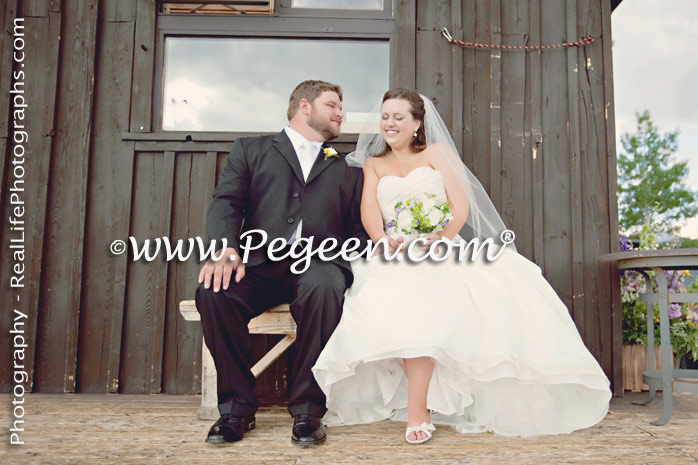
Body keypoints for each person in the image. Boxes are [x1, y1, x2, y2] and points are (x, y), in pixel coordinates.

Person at [312, 88, 611, 444]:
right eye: (385, 116)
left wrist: (443, 236)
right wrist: (381, 240)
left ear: (417, 123)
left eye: (399, 117)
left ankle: (418, 406)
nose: (389, 123)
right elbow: (369, 211)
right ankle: (419, 403)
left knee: (430, 299)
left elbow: (460, 202)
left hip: (440, 246)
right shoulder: (375, 164)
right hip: (394, 252)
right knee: (396, 302)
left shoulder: (436, 153)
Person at [196, 80, 368, 446]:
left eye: (341, 106)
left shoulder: (349, 167)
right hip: (260, 264)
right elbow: (227, 202)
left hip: (318, 263)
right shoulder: (251, 150)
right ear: (304, 107)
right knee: (214, 292)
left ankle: (307, 411)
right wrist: (226, 249)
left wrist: (387, 245)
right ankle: (236, 411)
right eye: (333, 105)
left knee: (325, 287)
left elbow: (357, 227)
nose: (341, 113)